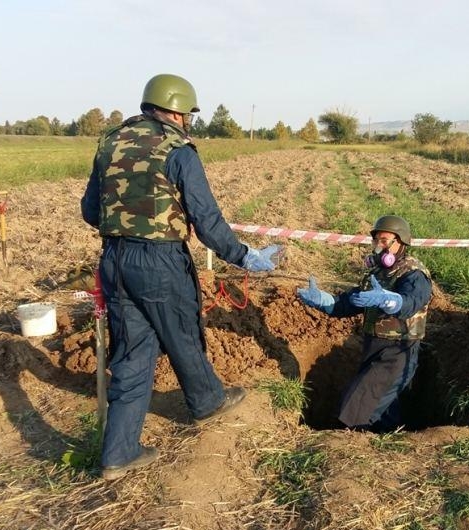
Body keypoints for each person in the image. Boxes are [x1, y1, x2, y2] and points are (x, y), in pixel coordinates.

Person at [81, 73, 280, 480]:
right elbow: (206, 219)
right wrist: (243, 256)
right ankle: (207, 402)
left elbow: (90, 211)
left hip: (114, 260)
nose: (188, 120)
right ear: (177, 110)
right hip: (160, 262)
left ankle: (118, 453)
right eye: (188, 113)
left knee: (133, 353)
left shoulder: (110, 143)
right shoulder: (178, 150)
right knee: (182, 333)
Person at [297, 215, 432, 432]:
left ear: (401, 243)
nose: (379, 246)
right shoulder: (377, 273)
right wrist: (327, 302)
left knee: (356, 409)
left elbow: (411, 303)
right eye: (376, 241)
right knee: (383, 410)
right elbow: (352, 302)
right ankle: (386, 445)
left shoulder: (414, 274)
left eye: (385, 241)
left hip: (398, 352)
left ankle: (347, 446)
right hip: (373, 347)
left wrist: (388, 299)